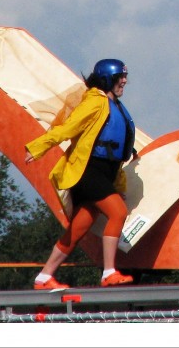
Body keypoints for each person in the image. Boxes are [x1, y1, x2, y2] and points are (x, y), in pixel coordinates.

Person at [24, 58, 137, 289]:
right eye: (119, 77)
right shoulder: (95, 102)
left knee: (78, 230)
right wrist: (39, 147)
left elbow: (111, 138)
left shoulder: (114, 104)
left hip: (105, 172)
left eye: (125, 77)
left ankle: (44, 278)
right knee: (118, 213)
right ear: (107, 79)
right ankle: (108, 272)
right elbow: (68, 128)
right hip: (89, 171)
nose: (124, 81)